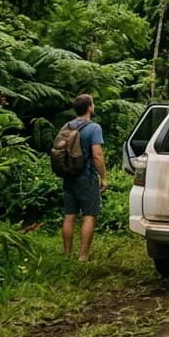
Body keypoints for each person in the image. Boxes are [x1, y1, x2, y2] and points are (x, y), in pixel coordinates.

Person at [61, 94, 106, 261]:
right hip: (86, 178)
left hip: (69, 176)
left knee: (69, 214)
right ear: (89, 108)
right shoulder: (94, 128)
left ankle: (67, 254)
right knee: (89, 215)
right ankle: (83, 256)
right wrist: (103, 177)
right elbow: (97, 156)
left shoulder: (67, 126)